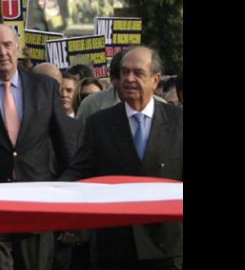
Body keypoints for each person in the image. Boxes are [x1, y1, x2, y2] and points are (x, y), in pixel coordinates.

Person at [0, 24, 78, 270]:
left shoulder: (45, 87)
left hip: (37, 201)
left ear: (18, 47)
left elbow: (65, 147)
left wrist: (69, 202)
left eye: (7, 45)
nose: (2, 52)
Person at [61, 47, 182, 269]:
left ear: (155, 80)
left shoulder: (179, 122)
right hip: (115, 246)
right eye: (124, 72)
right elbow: (79, 171)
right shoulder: (99, 123)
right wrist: (49, 197)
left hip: (167, 247)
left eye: (138, 73)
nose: (129, 79)